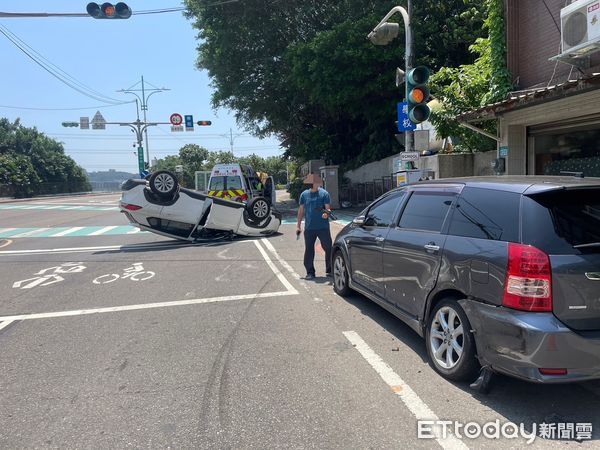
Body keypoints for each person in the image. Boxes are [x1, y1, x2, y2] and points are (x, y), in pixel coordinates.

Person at [296, 173, 333, 279]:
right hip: (309, 228)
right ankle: (310, 272)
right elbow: (301, 210)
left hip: (323, 227)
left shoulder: (324, 194)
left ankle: (330, 270)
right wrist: (298, 225)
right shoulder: (304, 195)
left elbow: (328, 209)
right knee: (309, 250)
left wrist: (327, 213)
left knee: (328, 248)